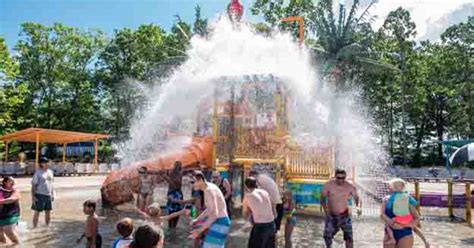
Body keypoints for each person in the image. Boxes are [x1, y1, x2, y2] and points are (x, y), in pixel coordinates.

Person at [381, 178, 428, 248]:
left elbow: (417, 217)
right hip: (389, 232)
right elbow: (382, 214)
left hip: (404, 233)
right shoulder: (386, 199)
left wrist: (408, 225)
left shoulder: (406, 199)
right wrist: (391, 222)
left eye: (391, 186)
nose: (389, 188)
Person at [189, 170, 231, 248]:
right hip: (220, 222)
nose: (192, 185)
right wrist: (197, 219)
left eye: (193, 182)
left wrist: (199, 230)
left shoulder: (209, 190)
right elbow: (209, 209)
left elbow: (215, 214)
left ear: (200, 180)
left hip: (220, 222)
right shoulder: (208, 188)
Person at [321, 169, 361, 248]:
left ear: (345, 177)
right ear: (335, 176)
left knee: (349, 238)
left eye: (343, 178)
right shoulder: (328, 185)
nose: (341, 180)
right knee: (327, 237)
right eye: (339, 178)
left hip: (345, 215)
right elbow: (322, 198)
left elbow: (357, 198)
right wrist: (325, 211)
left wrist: (358, 207)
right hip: (332, 215)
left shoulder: (349, 186)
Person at [242, 176, 275, 248]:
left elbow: (245, 214)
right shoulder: (265, 192)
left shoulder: (248, 196)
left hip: (260, 226)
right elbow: (272, 203)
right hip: (271, 224)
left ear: (246, 186)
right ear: (256, 184)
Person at [31, 156, 54, 228]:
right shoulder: (38, 173)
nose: (46, 163)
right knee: (37, 212)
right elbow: (33, 185)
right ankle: (34, 228)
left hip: (48, 195)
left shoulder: (50, 172)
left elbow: (51, 184)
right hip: (39, 194)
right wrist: (33, 196)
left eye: (47, 162)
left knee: (48, 211)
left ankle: (47, 226)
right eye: (44, 162)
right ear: (41, 164)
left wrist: (52, 194)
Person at [0, 177, 20, 245]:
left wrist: (1, 201)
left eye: (13, 181)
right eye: (10, 181)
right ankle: (4, 245)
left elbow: (12, 199)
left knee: (8, 230)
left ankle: (17, 244)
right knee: (0, 236)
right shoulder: (1, 190)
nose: (12, 182)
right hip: (1, 215)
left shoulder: (15, 190)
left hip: (11, 214)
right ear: (5, 183)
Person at [164, 161, 184, 228]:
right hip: (174, 193)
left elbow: (176, 184)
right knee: (173, 210)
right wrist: (165, 176)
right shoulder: (174, 173)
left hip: (175, 193)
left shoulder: (177, 173)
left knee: (174, 210)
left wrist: (166, 177)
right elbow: (173, 183)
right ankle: (172, 226)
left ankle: (172, 226)